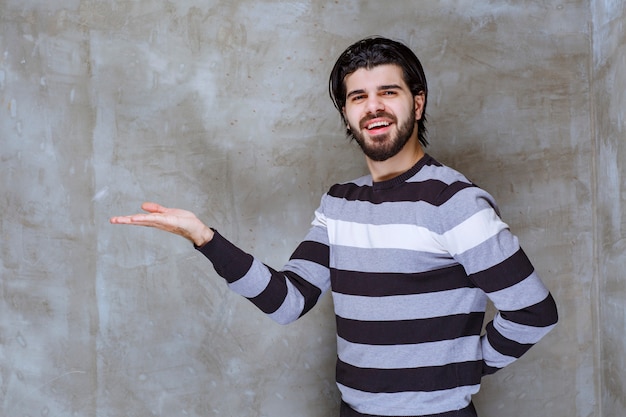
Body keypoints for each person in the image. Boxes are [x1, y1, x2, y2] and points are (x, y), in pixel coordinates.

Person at [110, 37, 558, 417]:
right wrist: (205, 239)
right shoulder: (339, 202)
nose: (374, 107)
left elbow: (533, 312)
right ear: (346, 113)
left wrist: (468, 366)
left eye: (389, 92)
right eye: (358, 97)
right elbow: (288, 301)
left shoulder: (454, 202)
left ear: (417, 103)